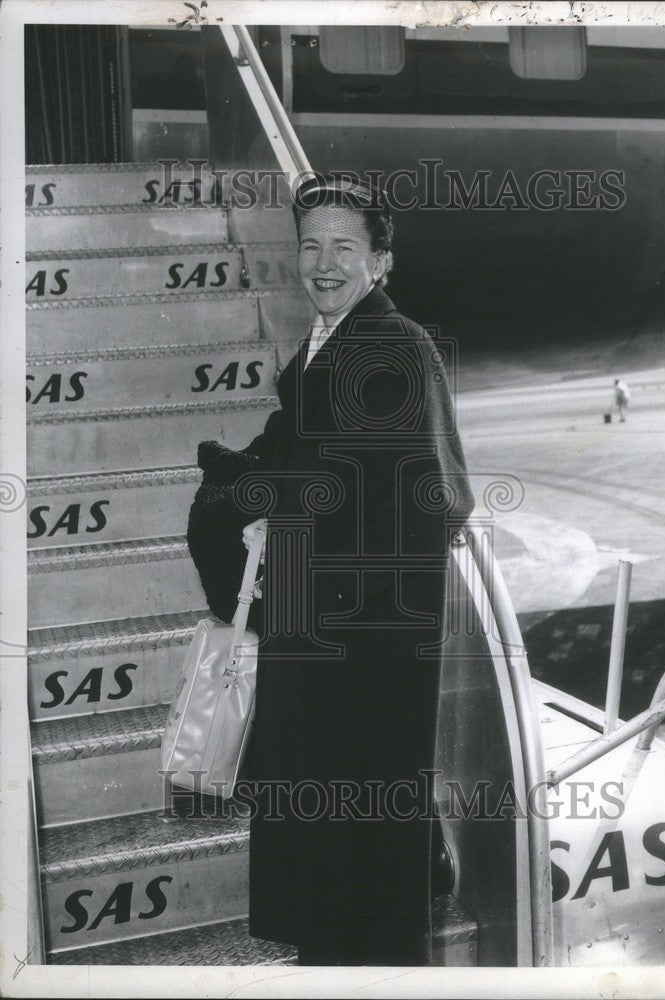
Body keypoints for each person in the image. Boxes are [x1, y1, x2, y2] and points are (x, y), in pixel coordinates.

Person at [187, 174, 474, 966]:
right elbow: (299, 456)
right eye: (309, 244)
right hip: (330, 643)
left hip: (362, 652)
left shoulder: (394, 346)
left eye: (343, 247)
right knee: (339, 861)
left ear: (380, 262)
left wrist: (300, 545)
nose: (322, 262)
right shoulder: (332, 344)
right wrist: (237, 480)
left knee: (361, 864)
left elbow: (434, 500)